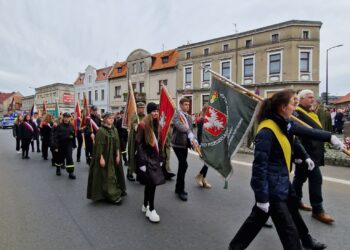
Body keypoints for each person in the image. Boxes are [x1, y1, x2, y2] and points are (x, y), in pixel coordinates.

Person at [228, 89, 344, 250]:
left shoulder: (284, 123)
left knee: (283, 216)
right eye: (293, 104)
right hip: (272, 188)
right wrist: (261, 198)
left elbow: (300, 135)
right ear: (283, 107)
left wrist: (329, 137)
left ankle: (306, 240)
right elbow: (259, 168)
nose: (295, 108)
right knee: (288, 231)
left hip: (282, 180)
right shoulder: (267, 131)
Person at [292, 89, 337, 223]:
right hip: (306, 153)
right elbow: (298, 134)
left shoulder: (311, 113)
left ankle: (296, 200)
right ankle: (318, 210)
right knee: (316, 179)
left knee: (299, 178)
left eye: (313, 97)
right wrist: (297, 155)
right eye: (309, 97)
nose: (313, 99)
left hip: (314, 152)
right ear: (301, 99)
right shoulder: (296, 113)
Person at [87, 112, 126, 204]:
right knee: (108, 175)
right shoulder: (101, 131)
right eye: (109, 118)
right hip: (105, 156)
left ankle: (117, 189)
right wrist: (101, 158)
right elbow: (99, 147)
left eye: (112, 118)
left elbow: (117, 143)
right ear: (104, 119)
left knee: (115, 173)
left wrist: (117, 155)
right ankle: (112, 195)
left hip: (113, 155)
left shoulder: (114, 129)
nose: (111, 120)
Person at [136, 102, 165, 222]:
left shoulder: (157, 124)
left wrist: (161, 158)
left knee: (149, 183)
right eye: (153, 111)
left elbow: (160, 143)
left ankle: (145, 204)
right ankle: (151, 209)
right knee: (152, 183)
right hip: (147, 158)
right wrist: (142, 162)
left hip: (155, 158)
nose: (156, 113)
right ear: (149, 112)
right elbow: (139, 144)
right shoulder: (142, 125)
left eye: (157, 111)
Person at [171, 97, 197, 201]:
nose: (187, 106)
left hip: (185, 145)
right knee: (184, 165)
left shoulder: (189, 117)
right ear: (181, 105)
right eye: (185, 104)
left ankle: (178, 188)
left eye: (188, 104)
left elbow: (191, 130)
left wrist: (193, 140)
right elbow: (178, 125)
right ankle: (181, 190)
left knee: (182, 166)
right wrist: (188, 132)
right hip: (177, 144)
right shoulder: (177, 114)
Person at [53, 113, 77, 179]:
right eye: (65, 117)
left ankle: (70, 172)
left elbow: (73, 136)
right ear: (63, 118)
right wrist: (56, 146)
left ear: (70, 118)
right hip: (61, 144)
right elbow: (55, 137)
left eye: (68, 117)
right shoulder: (59, 126)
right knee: (60, 158)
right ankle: (58, 168)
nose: (66, 118)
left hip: (69, 144)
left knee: (69, 158)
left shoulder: (72, 126)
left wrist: (74, 145)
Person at [127, 102, 146, 181]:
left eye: (143, 107)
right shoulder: (134, 116)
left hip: (143, 139)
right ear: (137, 108)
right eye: (140, 108)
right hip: (134, 139)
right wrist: (138, 126)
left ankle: (139, 173)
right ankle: (129, 173)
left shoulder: (145, 116)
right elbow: (134, 125)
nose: (142, 109)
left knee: (141, 157)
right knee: (132, 156)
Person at [195, 104, 212, 188]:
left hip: (210, 144)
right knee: (207, 162)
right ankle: (202, 178)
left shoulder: (209, 120)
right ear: (206, 111)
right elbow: (199, 134)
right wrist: (200, 145)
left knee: (208, 162)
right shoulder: (201, 120)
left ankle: (201, 177)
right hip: (203, 144)